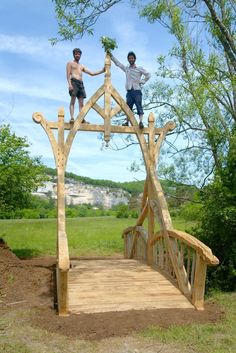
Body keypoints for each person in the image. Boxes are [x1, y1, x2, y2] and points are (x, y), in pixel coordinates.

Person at [110, 51, 151, 128]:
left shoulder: (139, 68)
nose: (131, 59)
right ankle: (127, 122)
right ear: (128, 60)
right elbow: (118, 64)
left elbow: (148, 75)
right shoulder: (127, 69)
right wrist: (111, 56)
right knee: (128, 107)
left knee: (139, 105)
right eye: (129, 58)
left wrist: (142, 81)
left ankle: (141, 122)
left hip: (137, 90)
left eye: (132, 58)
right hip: (129, 91)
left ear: (134, 59)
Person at [66, 48, 105, 123]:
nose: (77, 55)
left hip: (81, 84)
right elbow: (68, 76)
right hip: (73, 82)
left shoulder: (81, 66)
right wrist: (70, 85)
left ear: (80, 55)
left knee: (81, 104)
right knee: (73, 101)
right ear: (74, 54)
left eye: (79, 54)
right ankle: (72, 118)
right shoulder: (70, 63)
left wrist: (102, 70)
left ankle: (81, 119)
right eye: (76, 54)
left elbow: (92, 73)